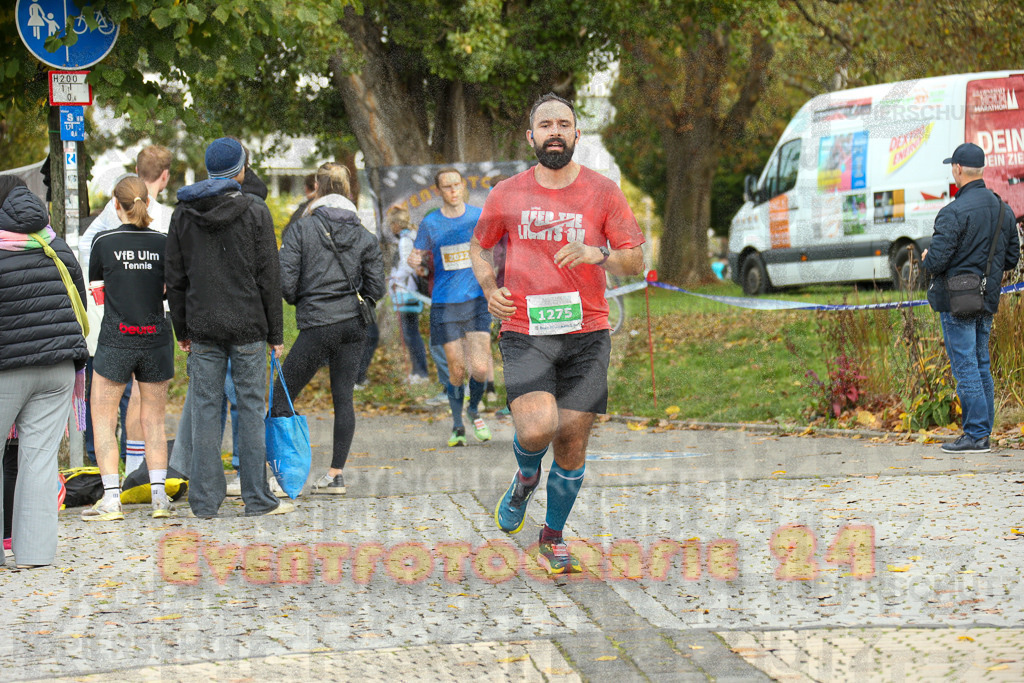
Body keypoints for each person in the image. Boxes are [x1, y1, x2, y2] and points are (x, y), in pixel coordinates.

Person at [470, 93, 645, 574]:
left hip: (588, 332)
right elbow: (479, 246)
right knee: (537, 427)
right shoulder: (506, 193)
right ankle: (526, 477)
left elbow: (637, 259)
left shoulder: (604, 192)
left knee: (571, 440)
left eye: (563, 123)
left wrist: (598, 255)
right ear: (531, 136)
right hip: (526, 329)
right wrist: (489, 288)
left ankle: (552, 535)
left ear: (575, 134)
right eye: (544, 124)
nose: (554, 131)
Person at [165, 137, 291, 518]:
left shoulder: (183, 214)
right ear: (240, 170)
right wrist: (276, 334)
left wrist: (182, 330)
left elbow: (175, 277)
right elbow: (269, 276)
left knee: (205, 409)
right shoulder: (255, 211)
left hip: (202, 327)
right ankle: (257, 498)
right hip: (249, 325)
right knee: (251, 408)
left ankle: (203, 502)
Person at [275, 162, 385, 494]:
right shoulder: (365, 234)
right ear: (349, 190)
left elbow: (286, 282)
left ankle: (283, 474)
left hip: (317, 324)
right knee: (344, 399)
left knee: (281, 397)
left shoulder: (301, 229)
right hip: (353, 325)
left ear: (317, 189)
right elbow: (376, 288)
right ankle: (335, 474)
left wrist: (301, 300)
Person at [0, 175, 89, 567]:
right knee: (39, 458)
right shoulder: (55, 244)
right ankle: (34, 555)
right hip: (59, 369)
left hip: (7, 367)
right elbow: (79, 302)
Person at [82, 177, 175, 521]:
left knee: (103, 417)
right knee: (153, 419)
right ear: (147, 203)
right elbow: (169, 292)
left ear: (116, 205)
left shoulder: (103, 241)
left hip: (117, 338)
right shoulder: (164, 242)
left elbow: (98, 294)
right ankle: (159, 499)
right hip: (156, 338)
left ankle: (110, 499)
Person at [922, 142, 1020, 454]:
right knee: (980, 363)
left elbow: (935, 262)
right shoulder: (1003, 209)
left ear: (958, 170)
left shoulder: (953, 212)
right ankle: (983, 433)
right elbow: (1012, 258)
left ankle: (976, 435)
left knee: (965, 365)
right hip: (987, 298)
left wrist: (926, 256)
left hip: (957, 301)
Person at [409, 168, 493, 446]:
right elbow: (417, 255)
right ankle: (457, 424)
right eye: (447, 187)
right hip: (445, 303)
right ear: (439, 191)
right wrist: (414, 261)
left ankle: (473, 410)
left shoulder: (477, 216)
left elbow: (493, 246)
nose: (453, 190)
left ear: (463, 186)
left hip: (477, 299)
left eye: (457, 185)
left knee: (480, 368)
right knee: (456, 370)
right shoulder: (431, 223)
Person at [387, 206, 430, 383]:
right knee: (412, 332)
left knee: (411, 334)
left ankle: (420, 373)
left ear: (397, 224)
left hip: (406, 291)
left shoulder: (405, 240)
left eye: (391, 224)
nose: (390, 228)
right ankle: (417, 371)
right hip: (410, 291)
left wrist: (394, 279)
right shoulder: (412, 236)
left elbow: (406, 266)